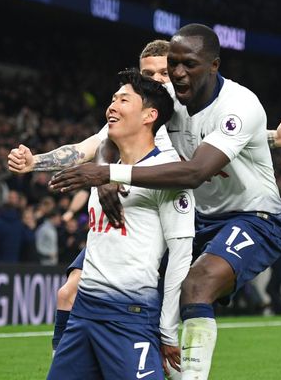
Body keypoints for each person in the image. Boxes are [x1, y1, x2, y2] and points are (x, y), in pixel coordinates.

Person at [8, 38, 281, 358]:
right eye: (149, 74)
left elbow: (231, 137)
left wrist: (274, 137)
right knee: (70, 292)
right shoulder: (143, 110)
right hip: (166, 213)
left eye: (164, 72)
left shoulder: (197, 106)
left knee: (190, 292)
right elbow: (92, 145)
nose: (158, 80)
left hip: (218, 212)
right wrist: (35, 162)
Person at [47, 69, 194, 380]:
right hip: (84, 314)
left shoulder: (168, 176)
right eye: (112, 100)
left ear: (149, 115)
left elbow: (181, 257)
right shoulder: (101, 174)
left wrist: (168, 330)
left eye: (123, 100)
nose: (111, 107)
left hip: (129, 318)